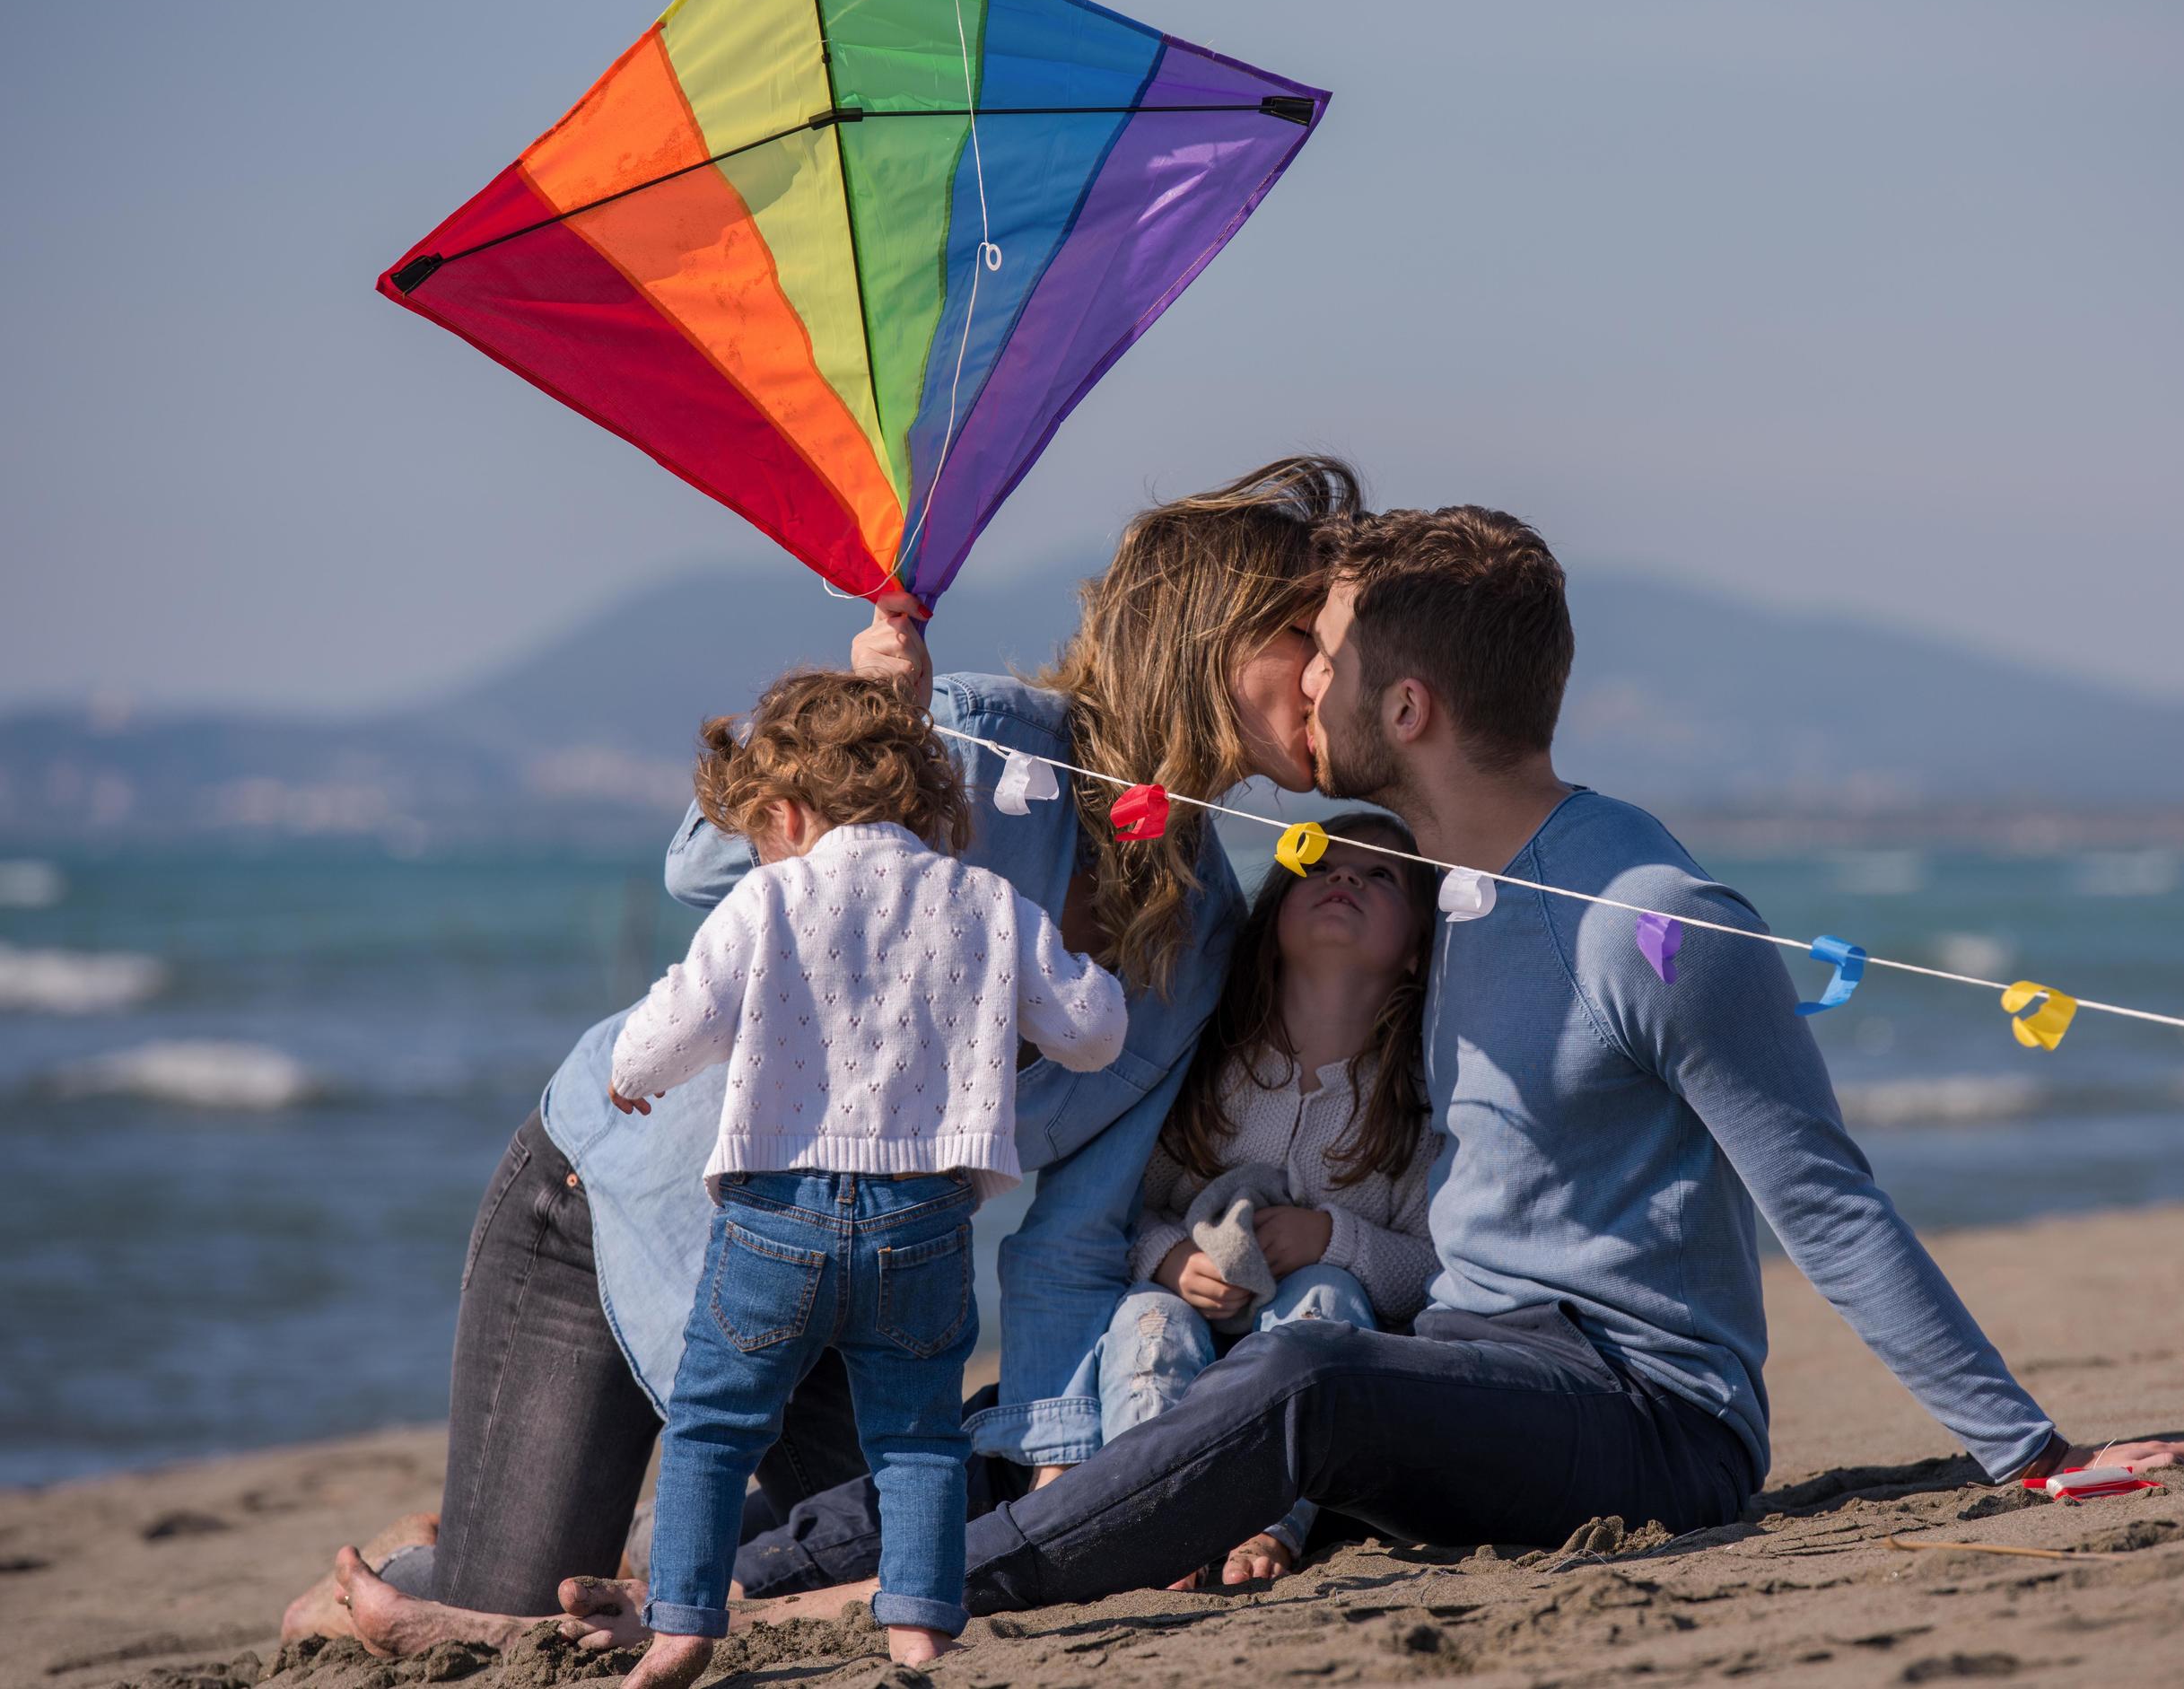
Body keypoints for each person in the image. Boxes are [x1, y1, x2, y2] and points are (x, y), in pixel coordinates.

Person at [537, 499, 2184, 1644]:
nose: (1290, 687)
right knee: (1020, 1419)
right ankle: (704, 1581)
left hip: (1642, 1412)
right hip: (1450, 1353)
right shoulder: (1407, 898)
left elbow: (1825, 1204)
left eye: (1319, 656)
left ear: (1403, 701)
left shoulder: (1650, 918)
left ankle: (903, 1600)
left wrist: (2030, 1453)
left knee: (1297, 1394)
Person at [293, 458, 1366, 1653]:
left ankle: (579, 1531)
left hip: (859, 1302)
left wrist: (1066, 1465)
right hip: (618, 1209)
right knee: (495, 1612)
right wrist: (865, 743)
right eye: (1302, 639)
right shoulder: (961, 738)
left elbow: (1074, 1234)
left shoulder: (1206, 937)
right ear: (1204, 636)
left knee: (930, 1517)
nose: (1334, 677)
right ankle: (412, 1565)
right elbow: (698, 875)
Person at [604, 670, 1127, 1678]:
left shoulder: (768, 898)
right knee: (921, 1436)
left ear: (789, 813)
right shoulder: (985, 900)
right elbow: (1092, 1035)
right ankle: (920, 1625)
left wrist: (630, 1072)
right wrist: (1096, 968)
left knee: (714, 1423)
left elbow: (680, 1013)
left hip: (776, 1218)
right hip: (923, 1221)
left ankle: (679, 1625)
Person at [1104, 810, 1442, 1586]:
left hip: (1328, 1363)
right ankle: (1146, 1515)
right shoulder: (1210, 1065)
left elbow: (1432, 1270)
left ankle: (1266, 1518)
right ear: (1276, 906)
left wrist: (1332, 1239)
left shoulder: (1417, 1101)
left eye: (1380, 875)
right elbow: (1116, 1218)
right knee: (1142, 1316)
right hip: (1192, 1326)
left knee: (1325, 1291)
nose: (1343, 877)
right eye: (1317, 862)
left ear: (1419, 947)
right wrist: (1169, 1259)